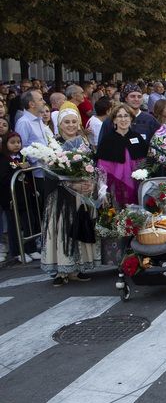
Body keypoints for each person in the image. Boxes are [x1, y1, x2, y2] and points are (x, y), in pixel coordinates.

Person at [40, 109, 99, 286]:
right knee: (61, 232)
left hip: (81, 195)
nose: (71, 125)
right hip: (60, 197)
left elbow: (92, 167)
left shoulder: (85, 143)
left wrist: (91, 183)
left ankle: (79, 267)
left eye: (74, 121)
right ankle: (61, 270)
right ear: (60, 125)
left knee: (80, 228)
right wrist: (70, 184)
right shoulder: (53, 145)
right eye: (67, 122)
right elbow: (50, 173)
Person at [96, 104, 149, 206]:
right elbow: (102, 167)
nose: (123, 119)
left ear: (131, 118)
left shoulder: (138, 138)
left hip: (136, 185)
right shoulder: (108, 139)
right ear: (114, 120)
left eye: (126, 115)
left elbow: (145, 162)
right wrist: (103, 189)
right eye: (119, 116)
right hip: (114, 187)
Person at [0, 132, 39, 264]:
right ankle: (17, 252)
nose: (16, 145)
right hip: (10, 198)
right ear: (5, 144)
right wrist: (17, 168)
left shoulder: (22, 156)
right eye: (12, 142)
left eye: (18, 142)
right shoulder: (3, 159)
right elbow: (4, 178)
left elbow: (29, 175)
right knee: (13, 225)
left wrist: (34, 190)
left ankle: (31, 248)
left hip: (25, 196)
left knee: (29, 221)